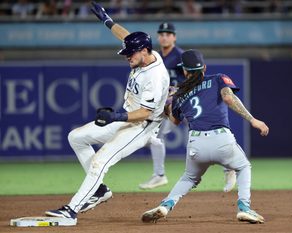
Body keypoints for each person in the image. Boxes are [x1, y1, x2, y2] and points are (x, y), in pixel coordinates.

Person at [44, 1, 170, 222]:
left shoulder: (155, 76)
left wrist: (116, 117)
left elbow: (145, 113)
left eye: (130, 53)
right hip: (127, 118)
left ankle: (71, 211)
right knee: (76, 137)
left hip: (141, 126)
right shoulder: (145, 52)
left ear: (143, 51)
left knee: (99, 162)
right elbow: (126, 35)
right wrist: (106, 19)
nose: (126, 56)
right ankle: (100, 190)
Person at [141, 49, 269, 224]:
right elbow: (229, 99)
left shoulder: (179, 94)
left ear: (184, 71)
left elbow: (174, 120)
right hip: (221, 140)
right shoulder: (218, 78)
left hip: (196, 144)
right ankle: (244, 207)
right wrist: (253, 120)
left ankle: (166, 204)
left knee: (188, 178)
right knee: (243, 167)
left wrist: (166, 104)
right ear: (204, 67)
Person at [139, 22, 237, 192]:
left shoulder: (181, 56)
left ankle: (229, 167)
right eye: (161, 34)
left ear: (174, 37)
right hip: (171, 102)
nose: (164, 36)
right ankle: (159, 175)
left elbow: (196, 76)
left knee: (211, 130)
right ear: (157, 37)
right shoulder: (157, 56)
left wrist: (178, 91)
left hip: (188, 100)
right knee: (154, 136)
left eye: (168, 33)